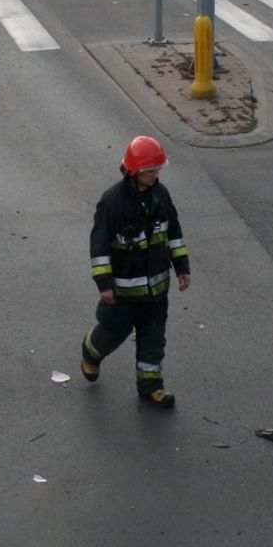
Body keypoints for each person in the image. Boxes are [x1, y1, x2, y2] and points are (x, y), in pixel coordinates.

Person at [81, 136, 191, 408]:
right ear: (133, 171)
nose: (155, 175)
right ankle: (91, 352)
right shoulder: (112, 202)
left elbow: (173, 233)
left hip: (156, 290)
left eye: (157, 170)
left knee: (153, 337)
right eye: (149, 171)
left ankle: (151, 386)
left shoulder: (161, 195)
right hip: (124, 290)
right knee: (112, 333)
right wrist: (104, 283)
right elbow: (100, 244)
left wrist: (182, 268)